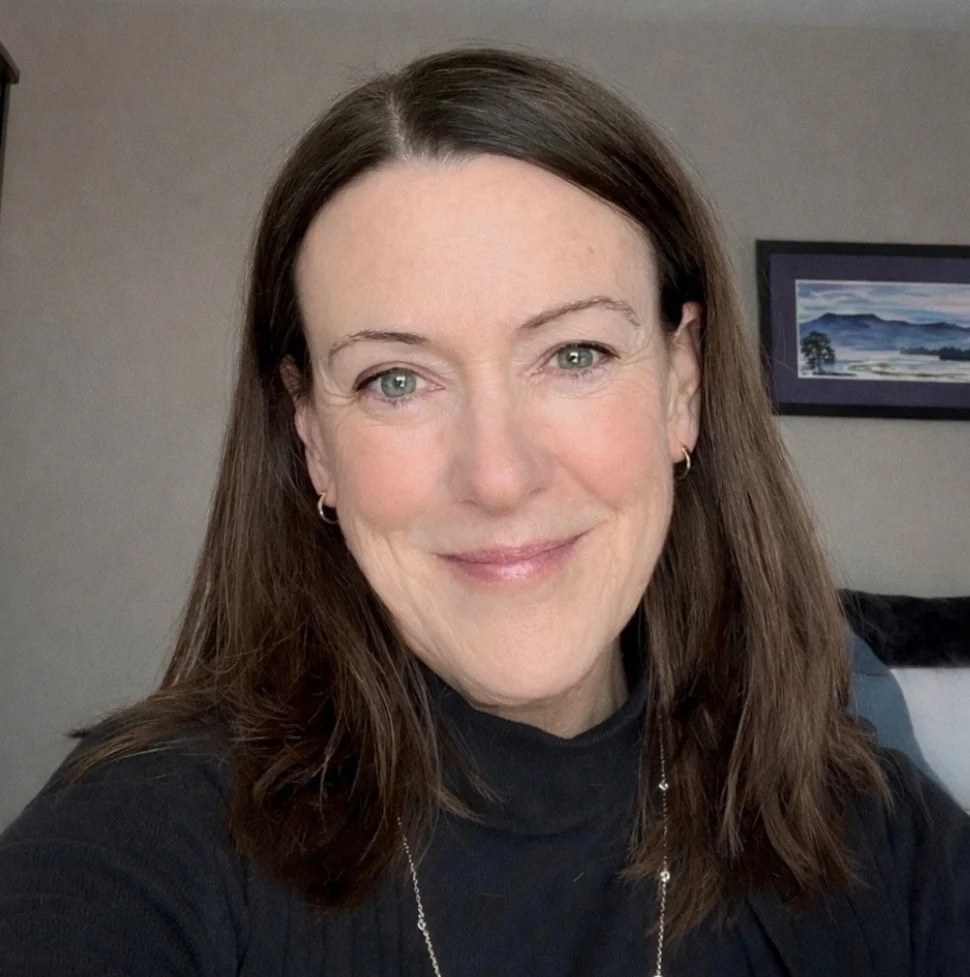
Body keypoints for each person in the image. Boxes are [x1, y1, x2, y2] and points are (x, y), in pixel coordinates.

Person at [1, 46, 967, 977]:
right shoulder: (147, 831)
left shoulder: (884, 841)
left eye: (576, 354)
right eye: (395, 379)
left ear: (682, 384)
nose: (499, 477)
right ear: (313, 439)